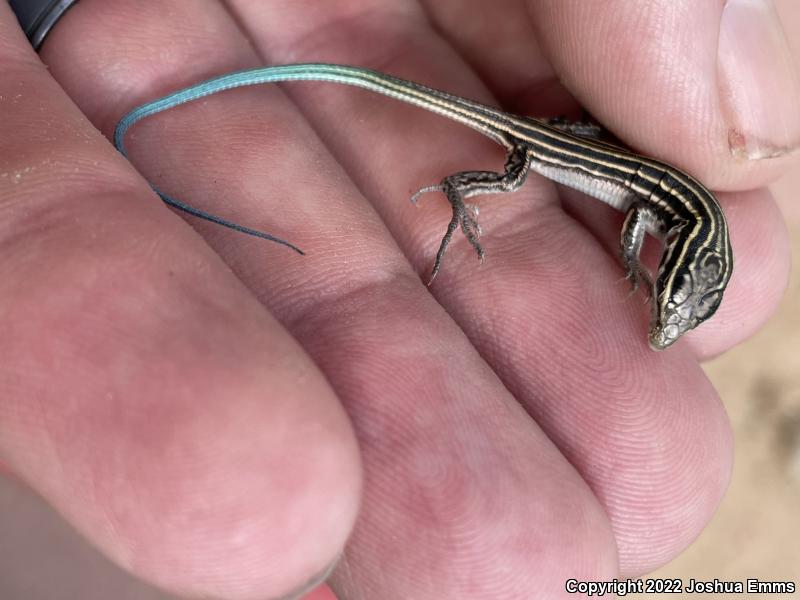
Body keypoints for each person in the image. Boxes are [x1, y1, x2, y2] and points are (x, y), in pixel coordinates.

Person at [1, 1, 797, 598]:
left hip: (576, 144)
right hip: (542, 148)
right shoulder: (674, 224)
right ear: (689, 269)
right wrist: (632, 270)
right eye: (667, 302)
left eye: (669, 305)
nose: (660, 315)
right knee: (509, 175)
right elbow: (636, 226)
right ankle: (461, 185)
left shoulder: (689, 225)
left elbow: (641, 223)